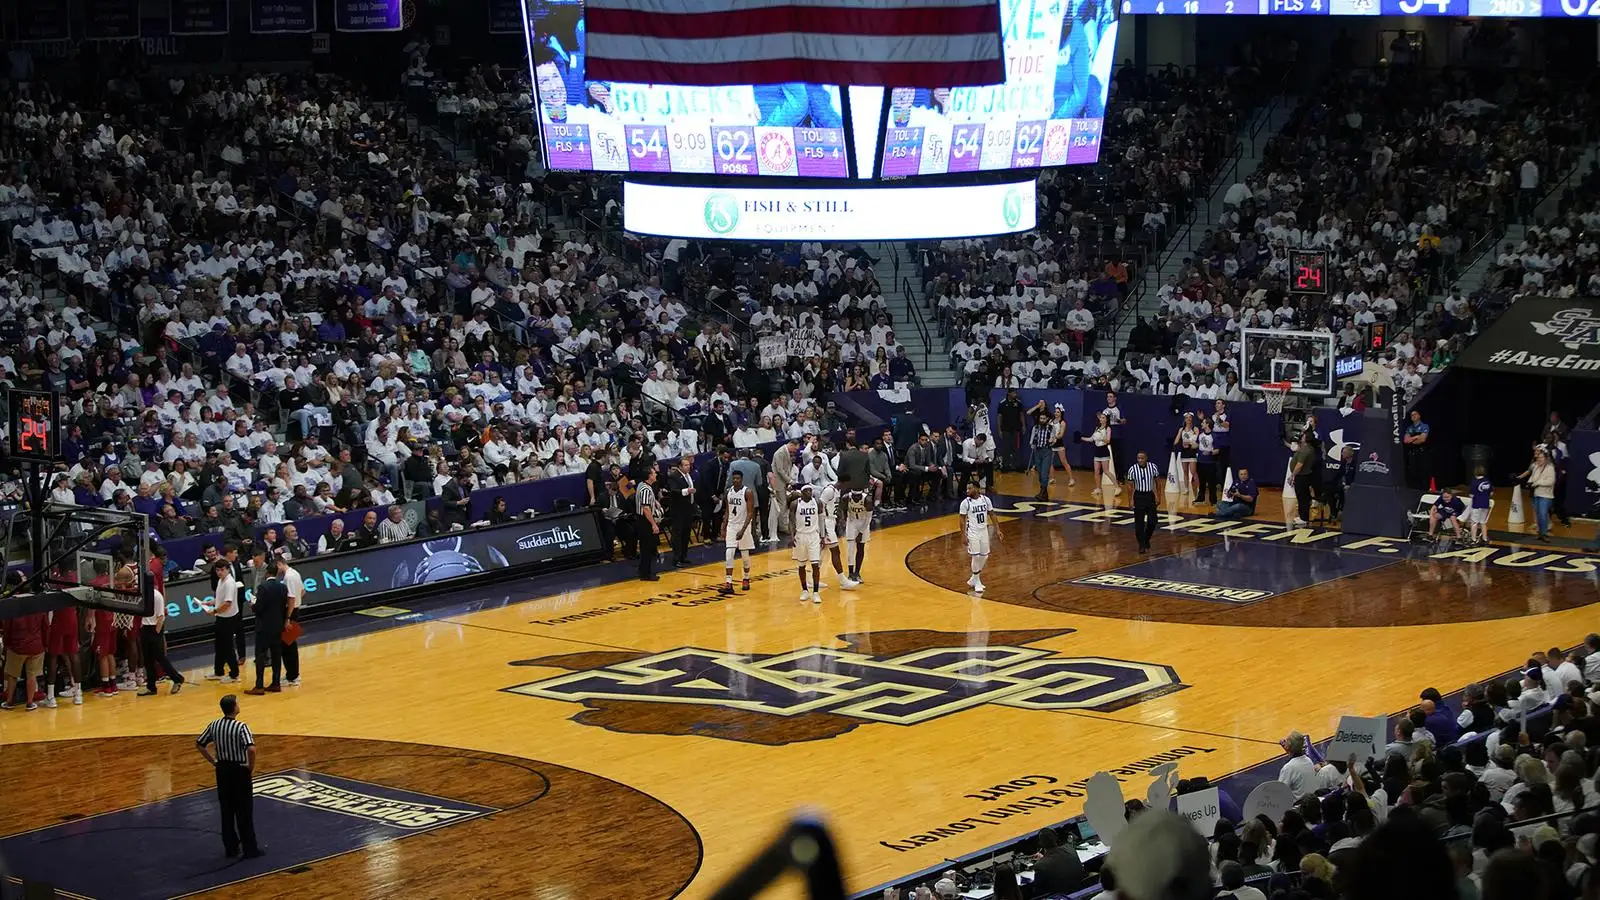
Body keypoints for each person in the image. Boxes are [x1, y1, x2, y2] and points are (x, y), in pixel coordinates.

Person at [195, 694, 261, 859]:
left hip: (222, 770)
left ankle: (230, 847)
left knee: (226, 810)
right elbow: (251, 749)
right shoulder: (241, 727)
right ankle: (250, 849)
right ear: (234, 707)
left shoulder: (215, 725)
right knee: (244, 811)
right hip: (239, 770)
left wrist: (214, 761)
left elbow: (200, 744)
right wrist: (250, 767)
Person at [245, 562, 287, 695]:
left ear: (267, 573)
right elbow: (283, 606)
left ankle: (259, 686)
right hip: (278, 626)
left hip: (264, 627)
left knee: (261, 655)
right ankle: (276, 683)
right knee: (276, 655)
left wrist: (252, 605)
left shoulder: (263, 587)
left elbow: (258, 608)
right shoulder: (283, 587)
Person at [138, 586, 185, 697]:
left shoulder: (157, 596)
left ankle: (177, 679)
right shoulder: (143, 594)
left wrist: (156, 632)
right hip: (145, 627)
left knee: (160, 657)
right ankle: (151, 687)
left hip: (154, 628)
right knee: (148, 660)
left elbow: (161, 616)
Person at [0, 610, 47, 710]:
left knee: (12, 675)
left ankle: (9, 701)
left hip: (17, 647)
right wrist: (45, 644)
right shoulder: (40, 608)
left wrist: (7, 644)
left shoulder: (13, 609)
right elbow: (45, 627)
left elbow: (7, 629)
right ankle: (30, 702)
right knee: (32, 675)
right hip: (36, 646)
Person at [204, 558, 241, 683]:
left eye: (222, 570)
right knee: (219, 645)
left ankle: (234, 674)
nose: (219, 572)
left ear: (228, 570)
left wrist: (214, 611)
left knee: (228, 647)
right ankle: (219, 671)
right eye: (218, 570)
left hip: (228, 619)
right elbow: (221, 599)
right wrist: (212, 602)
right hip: (221, 618)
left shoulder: (229, 583)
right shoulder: (221, 580)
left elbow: (227, 603)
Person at [720, 469, 755, 595]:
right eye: (734, 478)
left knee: (745, 556)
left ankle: (746, 578)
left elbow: (750, 513)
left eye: (738, 478)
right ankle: (728, 583)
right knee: (729, 553)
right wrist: (723, 526)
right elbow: (727, 511)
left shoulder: (747, 492)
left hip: (743, 525)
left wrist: (743, 530)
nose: (735, 480)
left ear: (742, 479)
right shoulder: (728, 492)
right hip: (732, 525)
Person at [818, 479, 856, 589]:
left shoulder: (837, 491)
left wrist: (840, 518)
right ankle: (843, 581)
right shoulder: (829, 491)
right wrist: (822, 528)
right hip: (826, 522)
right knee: (835, 551)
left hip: (831, 522)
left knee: (820, 553)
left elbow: (834, 507)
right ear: (843, 482)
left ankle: (811, 579)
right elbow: (820, 506)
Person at [958, 481, 994, 594]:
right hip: (972, 532)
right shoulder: (965, 503)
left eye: (970, 488)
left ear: (977, 489)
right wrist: (963, 535)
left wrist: (998, 530)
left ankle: (973, 579)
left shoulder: (986, 500)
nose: (967, 491)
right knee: (976, 556)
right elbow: (962, 519)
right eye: (967, 489)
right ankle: (977, 581)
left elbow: (992, 514)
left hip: (984, 531)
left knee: (985, 556)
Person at [791, 483, 824, 603]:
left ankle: (815, 592)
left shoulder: (817, 502)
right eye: (807, 491)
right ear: (802, 493)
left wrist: (823, 536)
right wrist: (791, 535)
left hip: (813, 535)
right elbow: (791, 520)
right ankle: (804, 590)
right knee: (801, 565)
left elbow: (821, 519)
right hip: (800, 536)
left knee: (815, 565)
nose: (810, 492)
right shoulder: (795, 504)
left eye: (811, 490)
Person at [1518, 445, 1557, 542]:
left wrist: (1538, 483)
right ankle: (1540, 533)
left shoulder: (1550, 468)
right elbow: (1532, 477)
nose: (1539, 459)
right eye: (1538, 458)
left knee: (1543, 514)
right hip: (1537, 494)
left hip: (1546, 496)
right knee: (1538, 515)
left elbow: (1551, 481)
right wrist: (1529, 482)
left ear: (1546, 458)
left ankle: (1544, 533)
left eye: (1541, 457)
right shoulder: (1535, 466)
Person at [1126, 451, 1161, 553]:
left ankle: (1146, 538)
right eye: (1138, 458)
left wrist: (1158, 496)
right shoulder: (1132, 469)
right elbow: (1129, 486)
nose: (1140, 460)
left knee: (1153, 521)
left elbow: (1158, 483)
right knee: (1139, 523)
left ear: (1146, 458)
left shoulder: (1153, 467)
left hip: (1149, 495)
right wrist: (1130, 500)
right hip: (1139, 496)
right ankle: (1141, 545)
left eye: (1142, 458)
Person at [665, 455, 695, 567]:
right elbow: (673, 491)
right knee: (678, 534)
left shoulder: (688, 475)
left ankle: (683, 556)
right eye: (686, 465)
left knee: (686, 533)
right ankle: (676, 558)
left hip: (688, 509)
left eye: (689, 465)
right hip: (678, 510)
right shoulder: (674, 476)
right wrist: (686, 491)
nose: (688, 467)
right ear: (679, 466)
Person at [841, 485, 874, 584]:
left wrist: (861, 532)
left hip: (864, 522)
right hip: (852, 521)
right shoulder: (846, 498)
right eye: (854, 496)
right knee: (850, 547)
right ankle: (850, 573)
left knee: (860, 547)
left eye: (858, 496)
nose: (856, 498)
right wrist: (844, 520)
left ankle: (857, 573)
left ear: (861, 495)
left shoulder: (867, 500)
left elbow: (868, 518)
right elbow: (843, 510)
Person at [280, 557, 305, 687]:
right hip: (296, 610)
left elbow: (291, 598)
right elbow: (302, 591)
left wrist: (287, 618)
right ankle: (292, 674)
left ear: (279, 564)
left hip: (290, 612)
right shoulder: (295, 573)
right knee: (290, 644)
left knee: (288, 645)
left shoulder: (288, 577)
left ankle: (293, 676)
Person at [636, 466, 663, 581]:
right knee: (647, 548)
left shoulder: (642, 485)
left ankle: (642, 570)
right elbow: (646, 508)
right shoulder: (646, 489)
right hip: (645, 520)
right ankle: (645, 574)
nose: (656, 474)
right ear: (649, 476)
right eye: (654, 473)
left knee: (646, 547)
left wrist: (655, 501)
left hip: (641, 519)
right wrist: (653, 524)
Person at [1027, 407, 1055, 501]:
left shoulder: (1051, 428)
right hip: (1037, 451)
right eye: (1041, 418)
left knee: (1044, 473)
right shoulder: (1035, 428)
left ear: (1047, 419)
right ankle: (1044, 493)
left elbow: (1053, 440)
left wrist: (1051, 441)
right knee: (1039, 472)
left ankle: (1043, 492)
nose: (1042, 420)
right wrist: (1032, 443)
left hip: (1047, 451)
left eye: (1044, 418)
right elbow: (1031, 440)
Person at [1403, 409, 1431, 491]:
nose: (1413, 416)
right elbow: (1406, 440)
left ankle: (1424, 490)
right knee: (1413, 473)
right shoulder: (1410, 428)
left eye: (1415, 414)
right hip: (1413, 453)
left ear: (1419, 416)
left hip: (1422, 453)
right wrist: (1416, 437)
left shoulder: (1424, 426)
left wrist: (1412, 439)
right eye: (1412, 415)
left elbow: (1422, 439)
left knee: (1423, 473)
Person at [1468, 466, 1492, 544]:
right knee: (1483, 522)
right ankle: (1485, 538)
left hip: (1477, 505)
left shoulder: (1474, 482)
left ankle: (1473, 540)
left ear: (1475, 472)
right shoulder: (1487, 481)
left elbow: (1471, 495)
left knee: (1474, 522)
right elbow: (1491, 493)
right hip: (1485, 505)